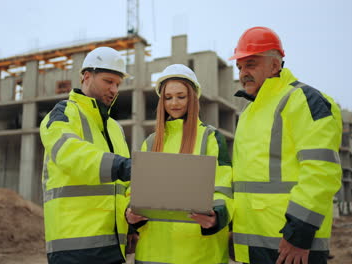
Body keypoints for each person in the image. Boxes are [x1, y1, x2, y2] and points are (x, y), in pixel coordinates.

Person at [229, 26, 343, 264]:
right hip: (254, 243)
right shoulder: (250, 111)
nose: (243, 73)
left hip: (291, 246)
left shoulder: (303, 100)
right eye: (240, 67)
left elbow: (321, 172)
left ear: (274, 65)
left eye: (250, 64)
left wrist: (299, 234)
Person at [126, 64, 233, 264]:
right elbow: (135, 189)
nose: (174, 103)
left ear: (193, 98)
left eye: (181, 96)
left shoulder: (210, 138)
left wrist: (216, 216)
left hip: (199, 254)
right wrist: (129, 213)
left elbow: (224, 188)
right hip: (153, 253)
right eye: (168, 97)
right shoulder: (150, 142)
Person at [40, 47, 132, 264]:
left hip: (113, 247)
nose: (114, 89)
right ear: (86, 76)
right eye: (108, 81)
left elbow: (125, 187)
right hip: (74, 248)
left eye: (118, 84)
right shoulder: (62, 114)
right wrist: (123, 166)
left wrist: (132, 220)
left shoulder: (115, 128)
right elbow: (70, 153)